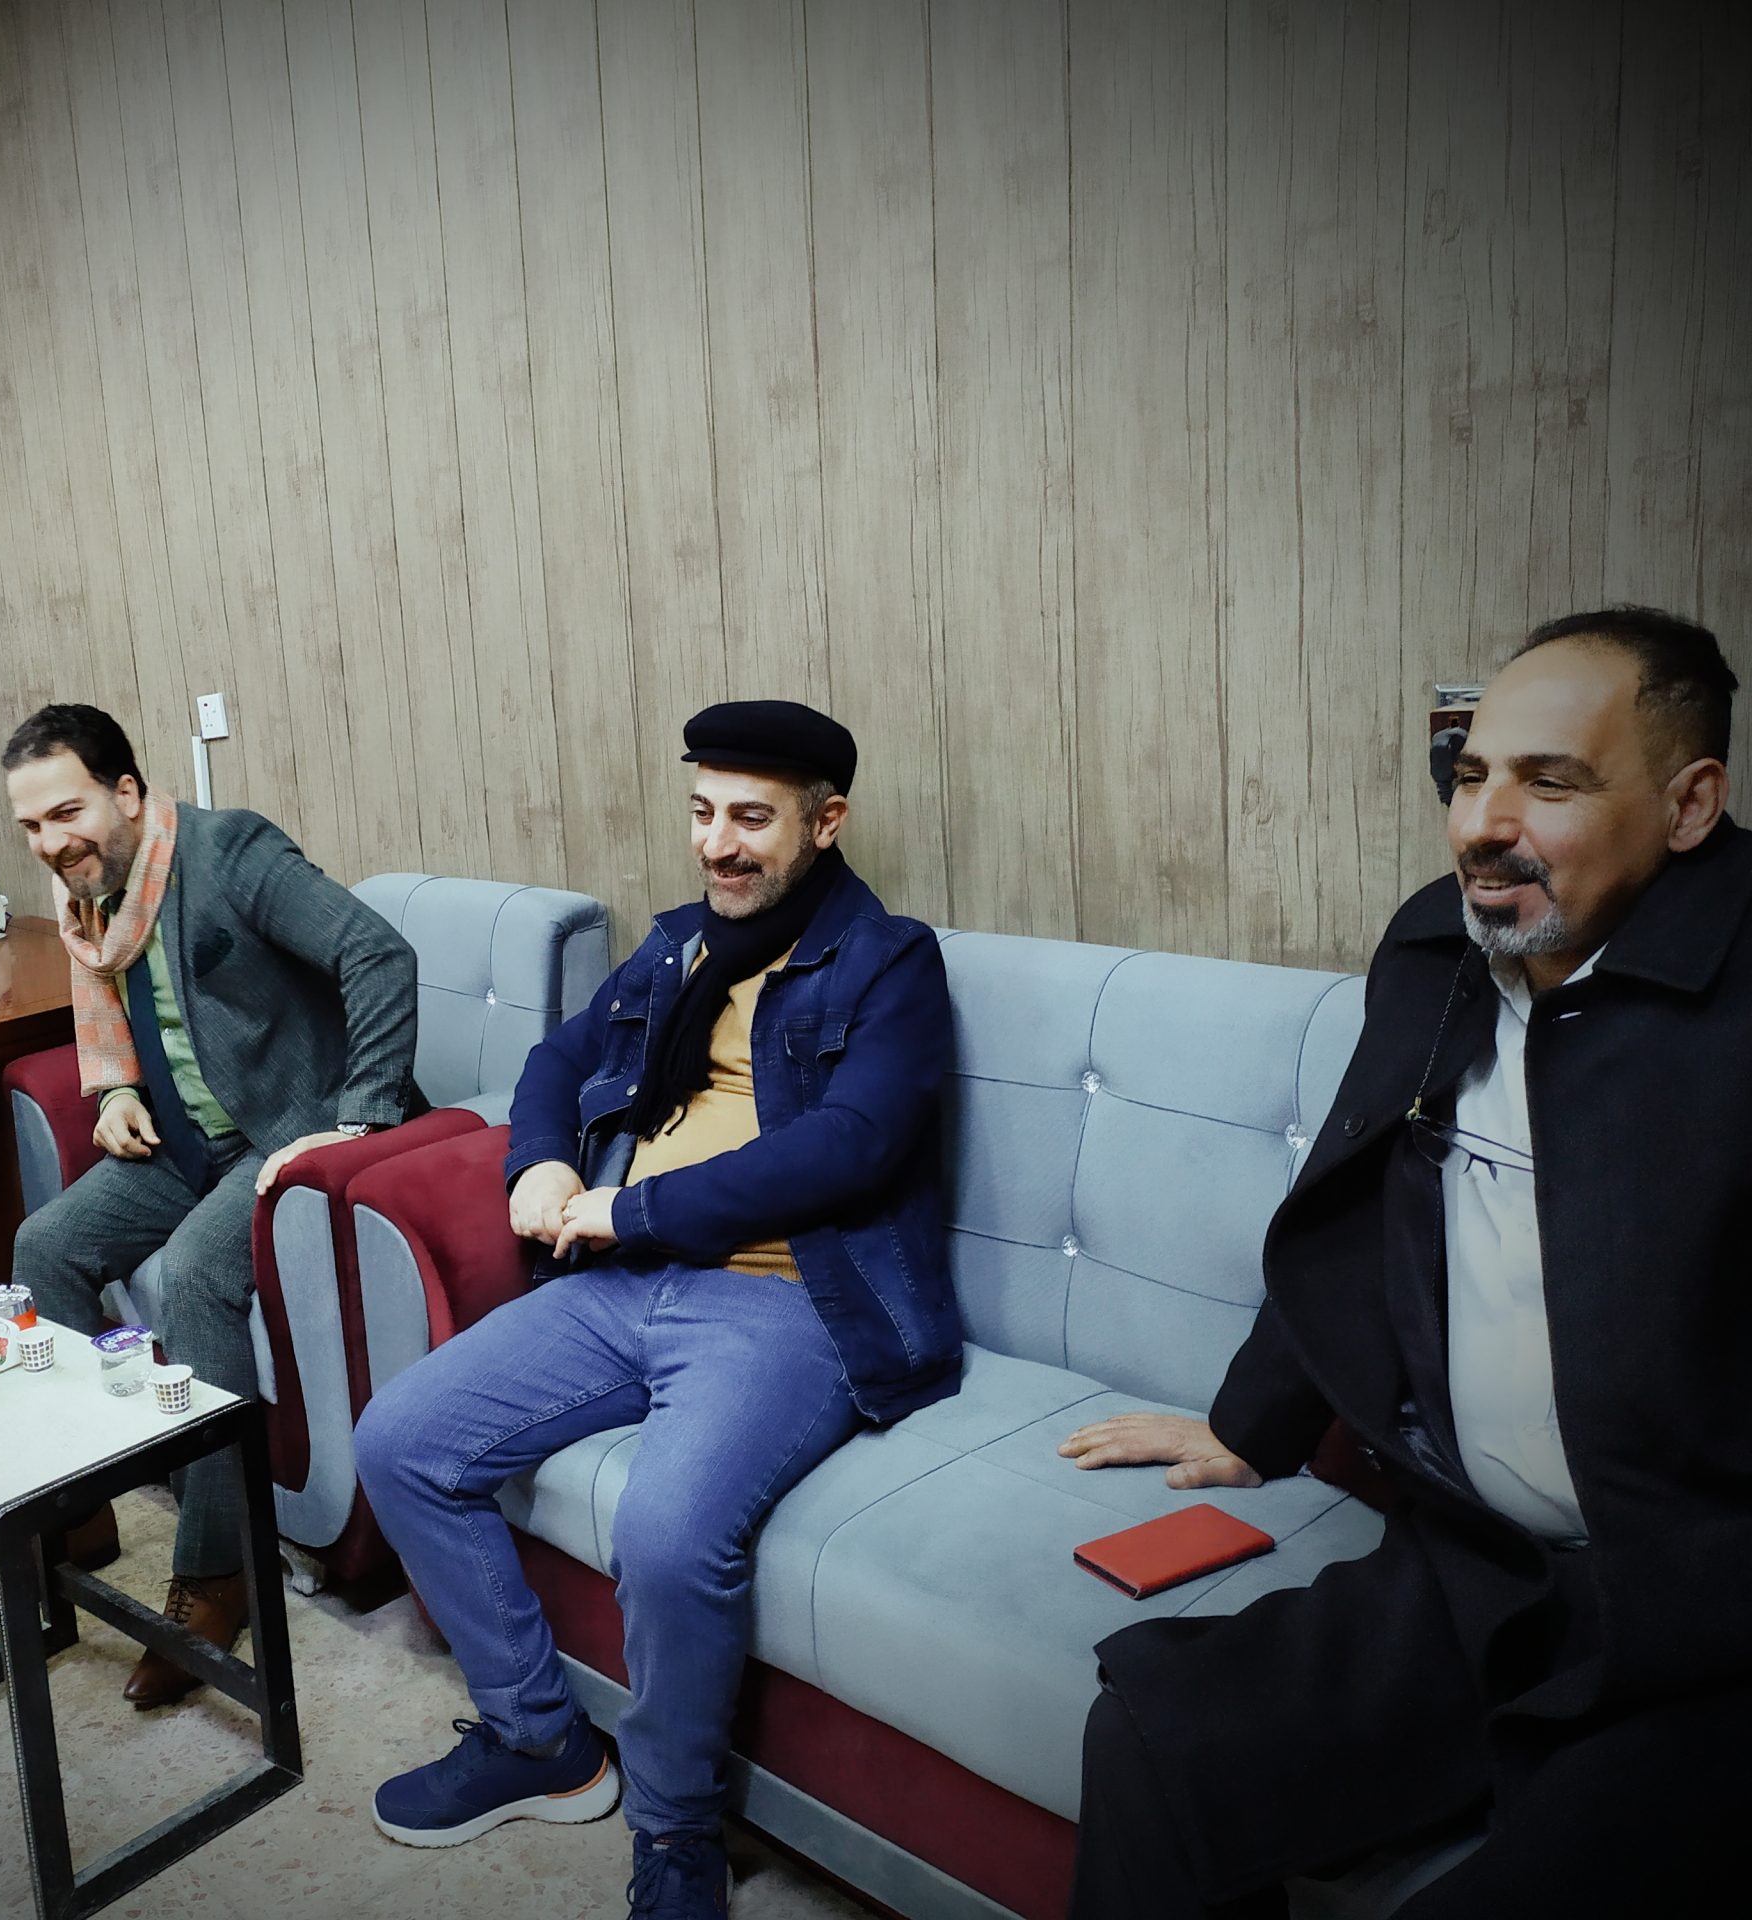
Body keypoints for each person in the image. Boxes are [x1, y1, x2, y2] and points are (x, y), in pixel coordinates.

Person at [1058, 606, 1750, 1917]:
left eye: (1550, 783)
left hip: (1700, 1622)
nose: (1483, 823)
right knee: (1156, 1738)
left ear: (1688, 805)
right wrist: (1251, 1426)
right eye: (1470, 774)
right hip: (1475, 1567)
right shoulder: (1440, 944)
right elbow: (1355, 1192)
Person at [355, 701, 957, 1920]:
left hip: (783, 1296)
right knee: (400, 1441)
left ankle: (676, 1825)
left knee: (671, 1534)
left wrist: (631, 1210)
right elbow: (556, 1062)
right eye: (700, 812)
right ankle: (538, 1739)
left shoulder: (889, 961)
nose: (715, 844)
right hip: (623, 1280)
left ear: (825, 823)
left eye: (750, 818)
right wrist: (537, 1161)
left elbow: (852, 1143)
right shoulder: (678, 945)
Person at [0, 703, 423, 1708]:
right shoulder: (92, 904)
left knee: (199, 1272)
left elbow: (378, 956)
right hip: (190, 1137)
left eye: (67, 813)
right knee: (45, 1245)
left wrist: (361, 1117)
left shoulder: (229, 852)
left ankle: (217, 1570)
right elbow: (131, 1021)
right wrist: (115, 1091)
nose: (50, 843)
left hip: (288, 1128)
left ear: (126, 792)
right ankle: (73, 1517)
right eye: (30, 826)